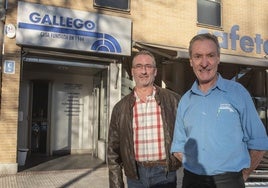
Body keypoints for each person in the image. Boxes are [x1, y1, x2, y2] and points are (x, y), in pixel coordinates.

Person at [171, 33, 268, 188]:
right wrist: (196, 169)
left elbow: (259, 142)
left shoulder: (238, 93)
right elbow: (178, 147)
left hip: (229, 182)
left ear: (218, 58)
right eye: (197, 56)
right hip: (192, 181)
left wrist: (242, 176)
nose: (204, 63)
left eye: (210, 55)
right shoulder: (185, 100)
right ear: (191, 61)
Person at [107, 50, 181, 188]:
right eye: (139, 66)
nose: (144, 71)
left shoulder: (174, 100)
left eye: (148, 66)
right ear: (132, 71)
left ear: (155, 71)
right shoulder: (120, 108)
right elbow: (112, 152)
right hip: (135, 176)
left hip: (165, 174)